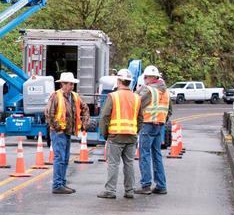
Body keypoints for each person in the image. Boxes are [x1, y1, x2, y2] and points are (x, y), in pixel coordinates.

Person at [97, 68, 141, 199]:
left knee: (113, 164)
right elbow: (140, 118)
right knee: (129, 163)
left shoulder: (113, 96)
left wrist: (105, 134)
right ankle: (130, 190)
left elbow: (104, 116)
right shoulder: (136, 98)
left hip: (116, 135)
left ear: (119, 80)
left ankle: (110, 190)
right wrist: (134, 130)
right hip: (131, 136)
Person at [45, 72, 90, 194]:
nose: (72, 86)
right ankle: (57, 184)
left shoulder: (74, 96)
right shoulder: (55, 96)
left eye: (72, 84)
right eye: (70, 84)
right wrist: (57, 127)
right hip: (59, 132)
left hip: (68, 132)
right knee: (60, 158)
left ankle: (61, 183)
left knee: (64, 158)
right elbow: (49, 114)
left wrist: (85, 123)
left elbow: (85, 108)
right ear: (63, 84)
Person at [135, 65, 171, 195]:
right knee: (157, 155)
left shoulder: (148, 90)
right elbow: (169, 110)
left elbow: (136, 103)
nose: (144, 79)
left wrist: (138, 91)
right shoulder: (165, 91)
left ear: (151, 77)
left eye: (145, 77)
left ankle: (145, 185)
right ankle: (161, 185)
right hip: (159, 125)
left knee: (144, 155)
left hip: (148, 124)